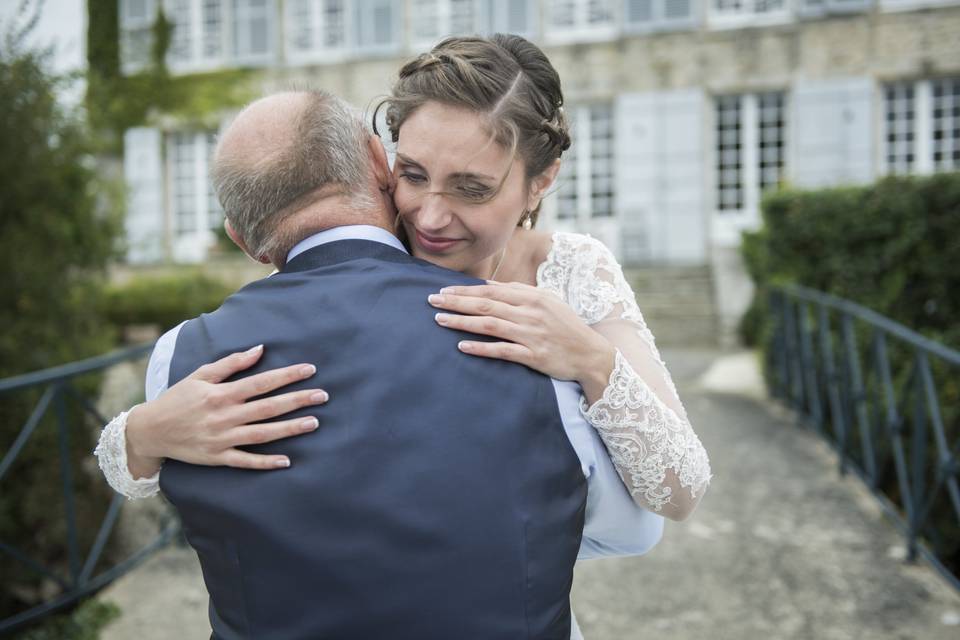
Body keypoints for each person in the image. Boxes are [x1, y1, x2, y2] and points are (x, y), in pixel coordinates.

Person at [95, 34, 711, 637]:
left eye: (472, 188)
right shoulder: (349, 248)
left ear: (541, 181)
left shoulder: (572, 271)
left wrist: (593, 359)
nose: (430, 216)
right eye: (412, 174)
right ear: (378, 159)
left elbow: (676, 497)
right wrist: (142, 431)